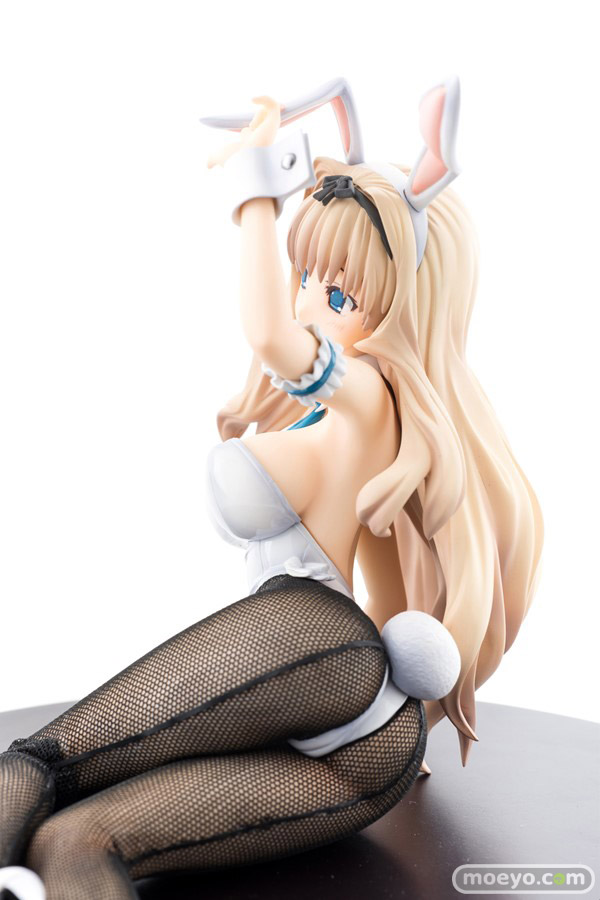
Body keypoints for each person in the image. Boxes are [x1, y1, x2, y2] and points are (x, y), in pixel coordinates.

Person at [0, 79, 543, 900]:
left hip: (319, 646)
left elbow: (268, 333)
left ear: (400, 310)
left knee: (38, 762)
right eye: (306, 277)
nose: (310, 304)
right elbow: (385, 571)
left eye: (339, 293)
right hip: (360, 744)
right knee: (71, 839)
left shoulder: (367, 393)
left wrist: (258, 185)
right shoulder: (345, 421)